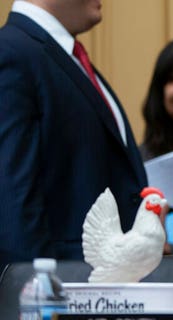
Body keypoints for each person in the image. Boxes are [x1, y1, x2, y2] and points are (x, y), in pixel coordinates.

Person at [0, 0, 147, 270]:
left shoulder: (64, 56)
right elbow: (12, 199)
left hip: (106, 289)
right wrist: (37, 298)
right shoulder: (11, 53)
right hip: (60, 295)